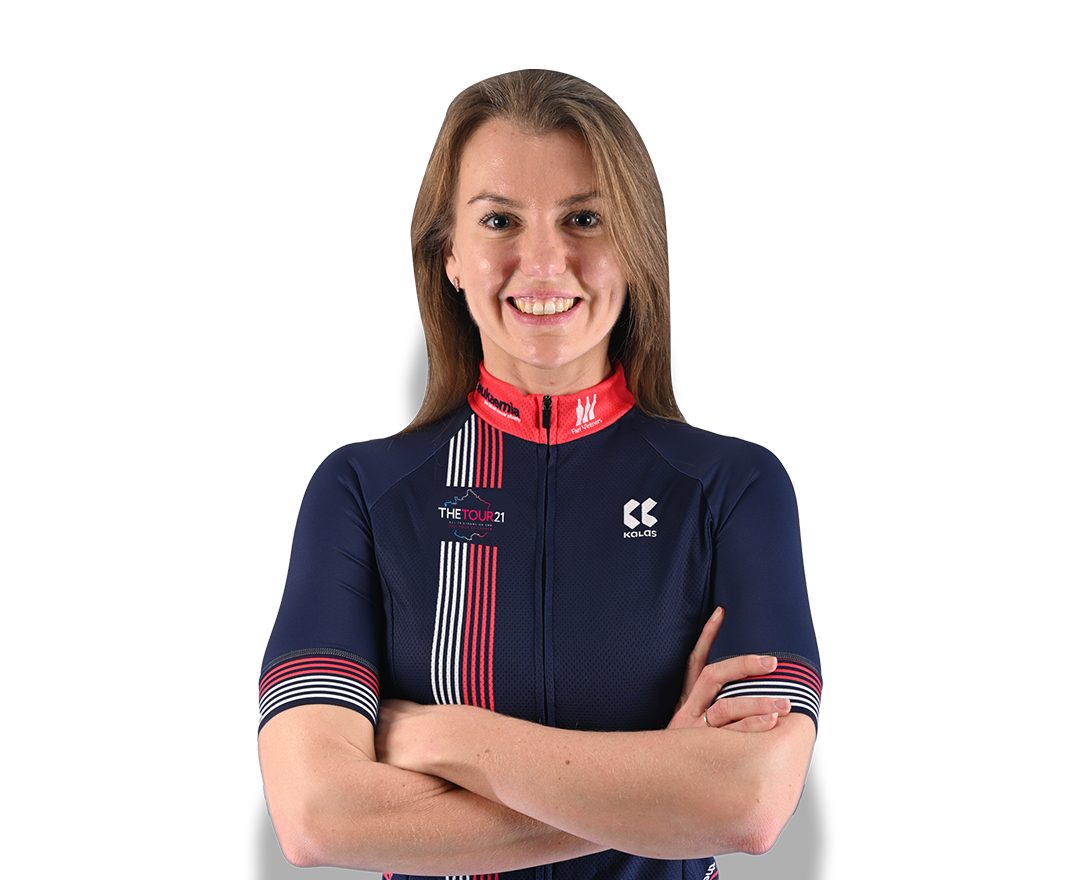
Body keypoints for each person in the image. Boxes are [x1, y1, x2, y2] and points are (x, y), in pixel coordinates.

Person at [257, 69, 822, 879]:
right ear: (450, 255)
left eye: (584, 218)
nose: (546, 261)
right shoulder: (362, 494)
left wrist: (443, 737)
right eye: (500, 221)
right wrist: (661, 788)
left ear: (636, 246)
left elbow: (749, 804)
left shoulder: (732, 490)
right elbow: (318, 817)